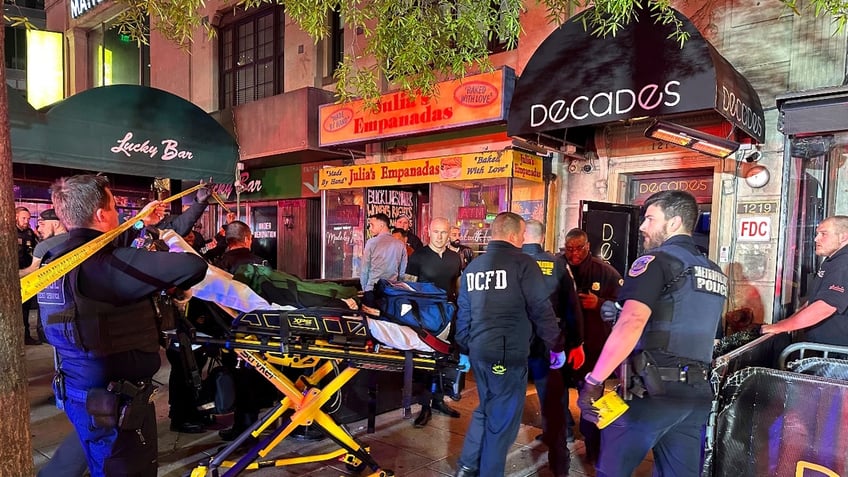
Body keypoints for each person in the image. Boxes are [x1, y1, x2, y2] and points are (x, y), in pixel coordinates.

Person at [37, 174, 208, 477]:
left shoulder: (56, 260)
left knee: (85, 457)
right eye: (116, 207)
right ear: (102, 215)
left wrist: (139, 225)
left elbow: (103, 250)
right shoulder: (106, 268)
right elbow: (193, 266)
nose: (120, 214)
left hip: (80, 389)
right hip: (113, 402)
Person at [577, 190, 728, 477]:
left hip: (653, 393)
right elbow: (697, 327)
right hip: (696, 395)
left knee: (611, 470)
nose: (643, 227)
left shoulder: (654, 261)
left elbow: (633, 321)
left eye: (649, 218)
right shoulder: (713, 271)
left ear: (673, 223)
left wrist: (594, 380)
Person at [454, 212, 566, 477]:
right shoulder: (523, 264)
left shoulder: (473, 268)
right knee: (502, 422)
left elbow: (463, 312)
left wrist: (464, 349)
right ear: (516, 234)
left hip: (480, 351)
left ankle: (467, 466)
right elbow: (541, 309)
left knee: (486, 408)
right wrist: (556, 345)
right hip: (507, 354)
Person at [521, 220, 584, 452]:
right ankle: (561, 430)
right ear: (543, 235)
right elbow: (572, 304)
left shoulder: (513, 262)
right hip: (550, 335)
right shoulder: (558, 264)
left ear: (522, 234)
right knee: (550, 385)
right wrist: (577, 340)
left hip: (518, 334)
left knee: (511, 385)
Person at [562, 227, 622, 462]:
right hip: (564, 345)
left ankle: (595, 449)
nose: (574, 254)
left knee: (591, 401)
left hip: (594, 348)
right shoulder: (558, 267)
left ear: (587, 247)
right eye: (569, 249)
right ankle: (560, 434)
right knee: (557, 395)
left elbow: (624, 305)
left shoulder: (605, 271)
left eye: (579, 248)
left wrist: (600, 303)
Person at [405, 217, 463, 428]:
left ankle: (439, 401)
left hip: (448, 316)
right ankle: (424, 406)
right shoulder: (418, 257)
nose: (439, 236)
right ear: (429, 231)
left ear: (450, 234)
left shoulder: (455, 258)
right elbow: (407, 288)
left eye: (444, 233)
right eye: (436, 232)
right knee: (425, 363)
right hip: (425, 317)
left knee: (445, 361)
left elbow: (457, 287)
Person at [761, 215, 848, 345]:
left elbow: (826, 306)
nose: (816, 239)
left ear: (843, 237)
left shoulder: (843, 263)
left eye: (823, 234)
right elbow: (814, 301)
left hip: (837, 354)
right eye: (817, 234)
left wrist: (781, 327)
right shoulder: (832, 260)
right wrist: (787, 323)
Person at [361, 213, 407, 306]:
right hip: (392, 291)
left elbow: (365, 269)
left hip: (372, 290)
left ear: (382, 225)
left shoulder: (371, 243)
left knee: (372, 319)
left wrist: (365, 289)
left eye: (372, 225)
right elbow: (402, 273)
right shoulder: (400, 245)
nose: (370, 228)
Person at [17, 206, 41, 345]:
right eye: (23, 218)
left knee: (25, 307)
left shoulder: (30, 233)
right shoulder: (8, 232)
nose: (26, 221)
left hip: (27, 274)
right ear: (16, 217)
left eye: (28, 218)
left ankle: (26, 336)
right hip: (13, 273)